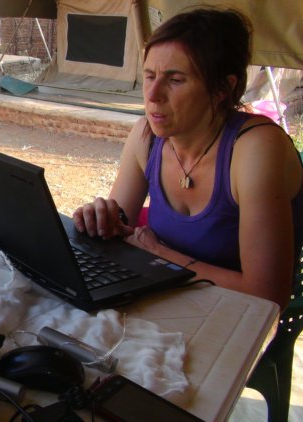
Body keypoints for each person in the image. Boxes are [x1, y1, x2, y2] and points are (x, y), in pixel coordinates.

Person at [72, 8, 303, 310]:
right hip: (167, 302)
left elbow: (267, 296)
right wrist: (99, 218)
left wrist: (162, 256)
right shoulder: (147, 137)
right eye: (150, 76)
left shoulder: (254, 148)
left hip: (236, 320)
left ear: (222, 89)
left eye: (176, 80)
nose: (153, 94)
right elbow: (119, 231)